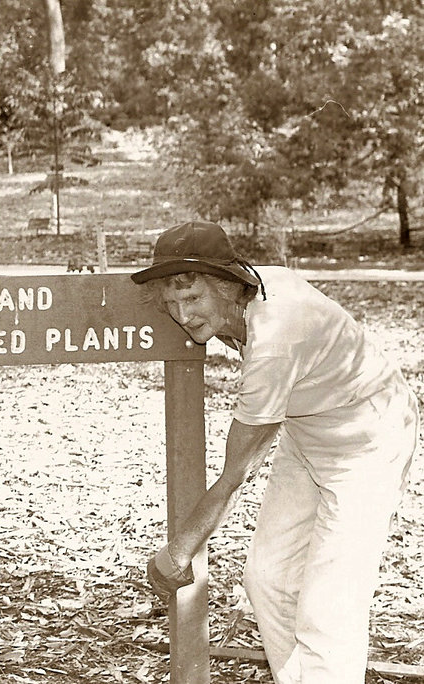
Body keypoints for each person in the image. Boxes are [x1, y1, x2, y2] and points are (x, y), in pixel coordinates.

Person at [132, 221, 418, 683]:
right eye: (172, 303)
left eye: (193, 298)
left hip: (370, 439)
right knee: (268, 581)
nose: (183, 315)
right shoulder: (253, 289)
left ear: (226, 285)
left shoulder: (276, 340)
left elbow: (235, 475)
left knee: (329, 607)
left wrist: (178, 552)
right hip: (309, 432)